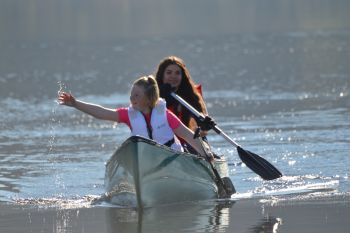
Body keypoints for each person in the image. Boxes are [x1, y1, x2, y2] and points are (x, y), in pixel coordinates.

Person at [58, 75, 213, 160]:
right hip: (146, 161)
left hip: (172, 158)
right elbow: (102, 113)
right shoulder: (128, 114)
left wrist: (205, 155)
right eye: (131, 95)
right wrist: (76, 104)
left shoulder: (165, 114)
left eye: (137, 95)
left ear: (149, 97)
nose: (132, 98)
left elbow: (187, 135)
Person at [154, 56, 215, 153]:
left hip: (188, 144)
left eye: (177, 73)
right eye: (169, 73)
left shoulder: (192, 96)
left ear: (182, 77)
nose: (173, 76)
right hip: (161, 144)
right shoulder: (151, 96)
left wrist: (205, 125)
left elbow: (203, 132)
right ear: (162, 75)